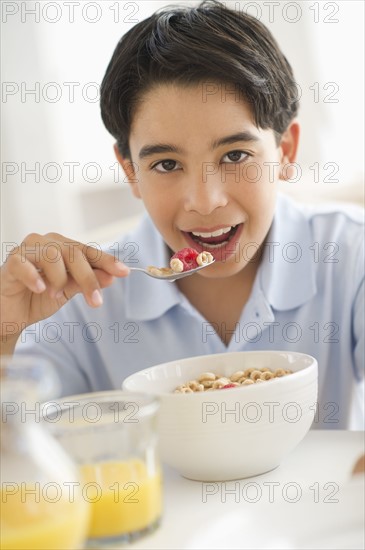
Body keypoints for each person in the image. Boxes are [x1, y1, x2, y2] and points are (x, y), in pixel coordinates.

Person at [1, 0, 363, 429]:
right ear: (130, 172)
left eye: (235, 155)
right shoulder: (76, 300)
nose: (204, 201)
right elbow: (17, 453)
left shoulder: (349, 255)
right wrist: (5, 334)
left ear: (285, 152)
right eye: (167, 165)